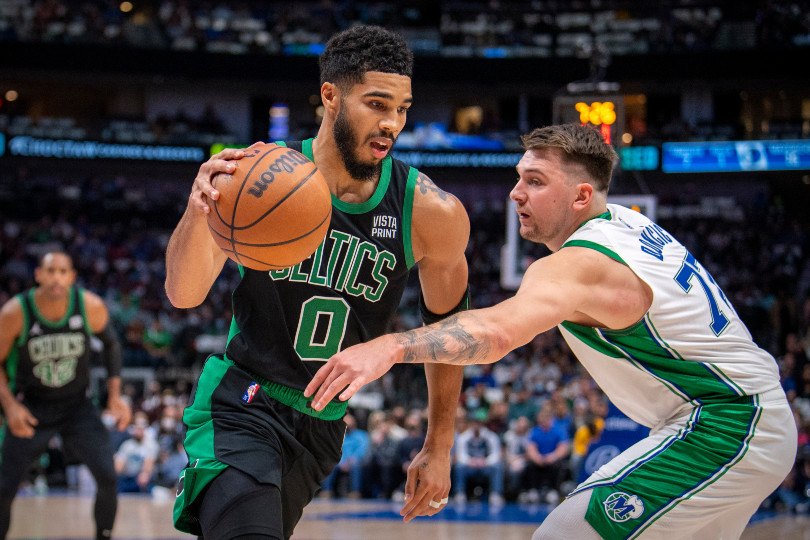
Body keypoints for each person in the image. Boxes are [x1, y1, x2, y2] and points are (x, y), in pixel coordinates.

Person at [305, 123, 797, 539]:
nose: (515, 193)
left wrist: (391, 346)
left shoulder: (579, 263)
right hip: (745, 419)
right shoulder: (627, 224)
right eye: (519, 178)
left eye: (535, 182)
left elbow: (497, 333)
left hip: (726, 423)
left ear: (582, 195)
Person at [165, 24, 470, 540]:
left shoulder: (430, 212)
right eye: (377, 104)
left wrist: (439, 445)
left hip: (323, 425)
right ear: (330, 95)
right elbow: (183, 293)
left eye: (402, 108)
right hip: (243, 400)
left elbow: (451, 331)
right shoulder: (258, 177)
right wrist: (198, 212)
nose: (392, 123)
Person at [0, 251, 131, 540]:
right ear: (38, 275)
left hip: (77, 407)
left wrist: (114, 395)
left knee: (108, 477)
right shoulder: (15, 312)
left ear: (72, 277)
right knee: (4, 487)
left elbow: (112, 345)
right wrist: (9, 407)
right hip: (32, 406)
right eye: (50, 271)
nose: (56, 278)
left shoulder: (89, 306)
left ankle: (104, 536)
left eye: (62, 271)